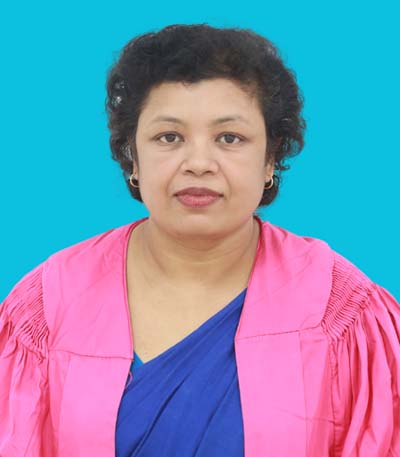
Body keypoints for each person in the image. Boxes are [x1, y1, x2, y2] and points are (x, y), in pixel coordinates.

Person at [0, 23, 399, 457]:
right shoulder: (48, 305)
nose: (199, 163)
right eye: (169, 137)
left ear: (270, 159)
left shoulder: (340, 309)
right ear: (133, 157)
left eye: (230, 138)